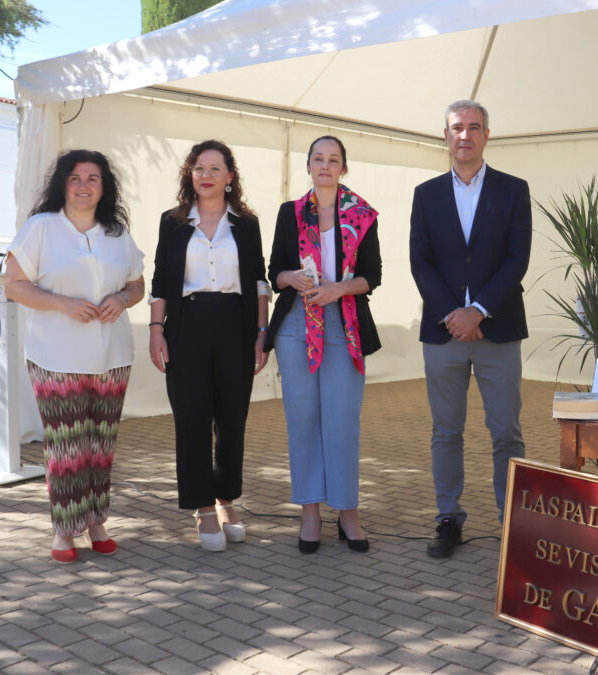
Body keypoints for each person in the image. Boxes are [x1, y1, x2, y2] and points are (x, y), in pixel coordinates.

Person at [4, 150, 144, 563]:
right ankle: (64, 530)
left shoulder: (118, 233)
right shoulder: (41, 228)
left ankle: (97, 520)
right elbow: (14, 285)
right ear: (62, 184)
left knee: (100, 445)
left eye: (93, 178)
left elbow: (138, 284)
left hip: (112, 355)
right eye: (75, 178)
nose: (84, 185)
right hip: (56, 356)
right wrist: (62, 304)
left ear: (105, 187)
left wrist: (122, 297)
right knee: (67, 447)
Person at [409, 100, 532, 558]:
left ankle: (512, 523)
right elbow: (420, 261)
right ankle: (448, 518)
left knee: (507, 432)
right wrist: (453, 314)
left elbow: (516, 260)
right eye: (457, 128)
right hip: (443, 333)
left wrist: (477, 310)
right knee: (446, 431)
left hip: (497, 330)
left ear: (486, 135)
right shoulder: (426, 193)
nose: (465, 135)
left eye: (474, 128)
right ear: (445, 136)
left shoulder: (513, 190)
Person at [148, 140, 270, 552]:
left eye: (215, 168)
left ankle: (226, 502)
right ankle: (202, 506)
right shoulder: (173, 222)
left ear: (230, 177)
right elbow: (162, 281)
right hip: (187, 326)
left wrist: (261, 335)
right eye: (199, 168)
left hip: (236, 326)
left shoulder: (248, 224)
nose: (206, 175)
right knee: (193, 417)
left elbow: (259, 282)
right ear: (190, 174)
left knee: (232, 419)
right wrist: (155, 329)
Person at [265, 135, 381, 555]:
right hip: (297, 324)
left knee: (342, 421)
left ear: (343, 168)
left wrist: (337, 290)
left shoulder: (363, 216)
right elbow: (274, 269)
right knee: (303, 420)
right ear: (309, 166)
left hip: (343, 324)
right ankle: (310, 512)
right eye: (319, 158)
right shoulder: (290, 213)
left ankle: (347, 511)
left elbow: (373, 275)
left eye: (334, 160)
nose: (326, 166)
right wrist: (291, 278)